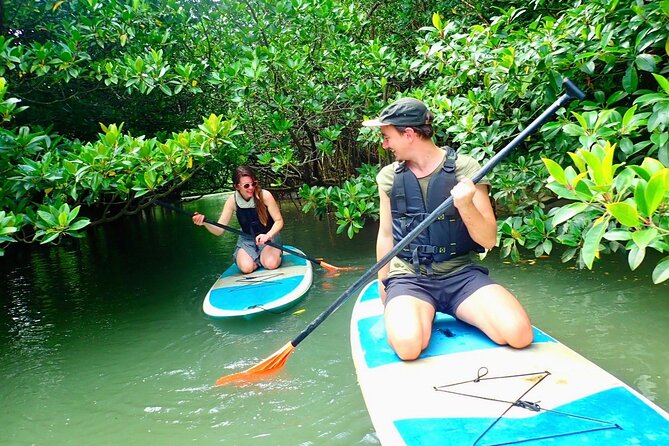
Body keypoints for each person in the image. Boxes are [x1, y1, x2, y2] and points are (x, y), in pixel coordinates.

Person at [362, 97, 533, 361]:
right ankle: (421, 312)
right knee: (408, 348)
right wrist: (383, 285)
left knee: (519, 335)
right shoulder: (388, 177)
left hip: (461, 275)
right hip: (410, 277)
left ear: (408, 134)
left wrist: (465, 205)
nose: (384, 144)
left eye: (387, 137)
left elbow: (488, 239)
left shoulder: (466, 168)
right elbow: (386, 235)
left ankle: (451, 310)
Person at [192, 166, 284, 274]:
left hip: (268, 237)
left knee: (271, 264)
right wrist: (204, 222)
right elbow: (219, 230)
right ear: (237, 186)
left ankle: (266, 256)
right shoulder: (232, 201)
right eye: (246, 185)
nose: (251, 188)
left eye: (253, 184)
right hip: (247, 240)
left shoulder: (265, 195)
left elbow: (279, 221)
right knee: (246, 268)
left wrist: (268, 235)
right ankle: (255, 258)